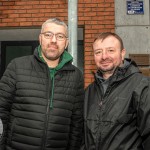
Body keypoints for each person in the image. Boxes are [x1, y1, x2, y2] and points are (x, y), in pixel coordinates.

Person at [0, 18, 84, 150]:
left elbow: (76, 122)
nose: (54, 40)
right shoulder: (17, 66)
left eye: (60, 36)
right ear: (40, 38)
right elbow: (2, 110)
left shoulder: (76, 76)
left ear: (66, 43)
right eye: (48, 35)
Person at [82, 32, 150, 150]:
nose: (104, 56)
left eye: (110, 50)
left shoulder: (142, 86)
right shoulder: (88, 92)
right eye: (98, 52)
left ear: (122, 53)